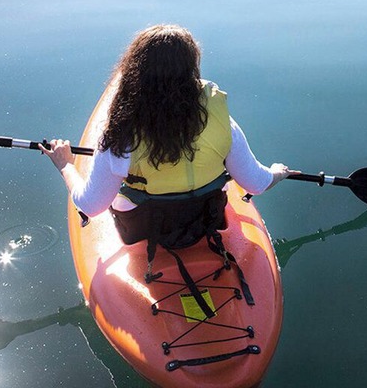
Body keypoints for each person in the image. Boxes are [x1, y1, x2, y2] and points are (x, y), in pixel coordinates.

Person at [43, 24, 289, 251]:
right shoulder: (222, 122)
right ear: (192, 69)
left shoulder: (120, 135)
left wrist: (65, 165)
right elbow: (256, 183)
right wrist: (278, 172)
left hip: (143, 229)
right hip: (205, 220)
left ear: (134, 73)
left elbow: (90, 206)